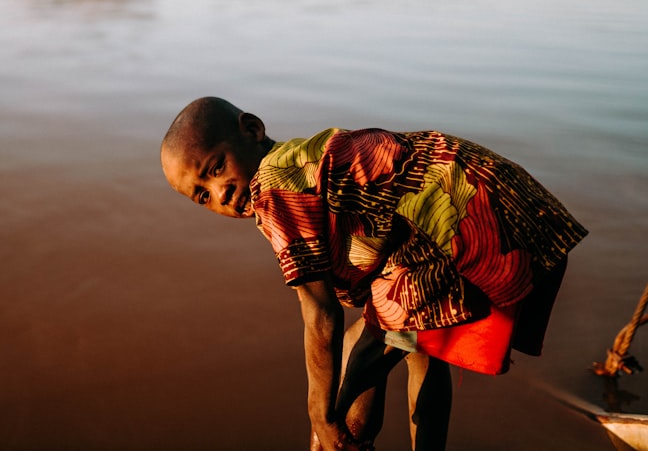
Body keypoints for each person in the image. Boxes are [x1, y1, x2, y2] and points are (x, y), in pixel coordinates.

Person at [160, 97, 587, 451]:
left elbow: (319, 310)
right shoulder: (301, 159)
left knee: (355, 361)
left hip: (455, 222)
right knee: (421, 352)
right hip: (483, 198)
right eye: (202, 196)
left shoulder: (274, 186)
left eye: (216, 169)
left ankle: (338, 442)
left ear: (252, 130)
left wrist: (320, 413)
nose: (221, 193)